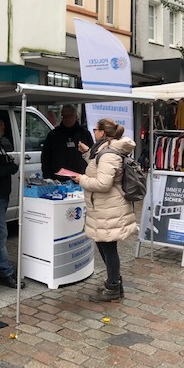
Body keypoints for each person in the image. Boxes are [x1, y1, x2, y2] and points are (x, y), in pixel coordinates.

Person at [71, 118, 138, 302]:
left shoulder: (108, 153)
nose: (94, 132)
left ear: (102, 132)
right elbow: (99, 167)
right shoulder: (106, 149)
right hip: (104, 206)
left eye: (95, 130)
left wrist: (81, 179)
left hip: (109, 207)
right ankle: (113, 281)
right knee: (103, 243)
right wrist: (87, 153)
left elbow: (103, 183)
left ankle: (113, 287)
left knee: (108, 246)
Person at [0, 117, 26, 289]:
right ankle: (5, 273)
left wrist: (9, 164)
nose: (3, 126)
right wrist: (9, 168)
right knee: (0, 234)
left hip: (1, 195)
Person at [41, 104, 93, 180]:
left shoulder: (84, 133)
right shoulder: (54, 134)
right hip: (58, 178)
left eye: (70, 116)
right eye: (64, 116)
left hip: (80, 178)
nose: (67, 119)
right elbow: (45, 157)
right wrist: (47, 176)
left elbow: (91, 154)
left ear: (76, 117)